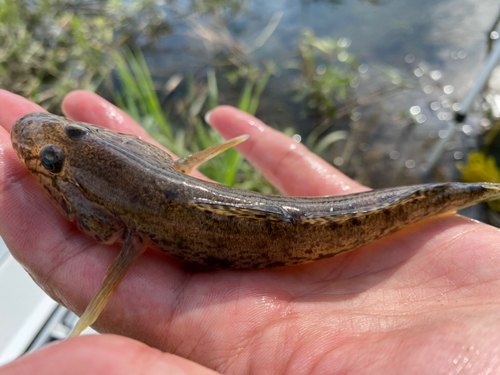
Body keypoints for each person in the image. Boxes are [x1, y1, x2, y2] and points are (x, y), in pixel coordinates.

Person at [0, 89, 499, 374]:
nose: (43, 135)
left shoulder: (124, 217)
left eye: (62, 145)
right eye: (57, 161)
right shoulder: (137, 200)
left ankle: (475, 191)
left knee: (437, 197)